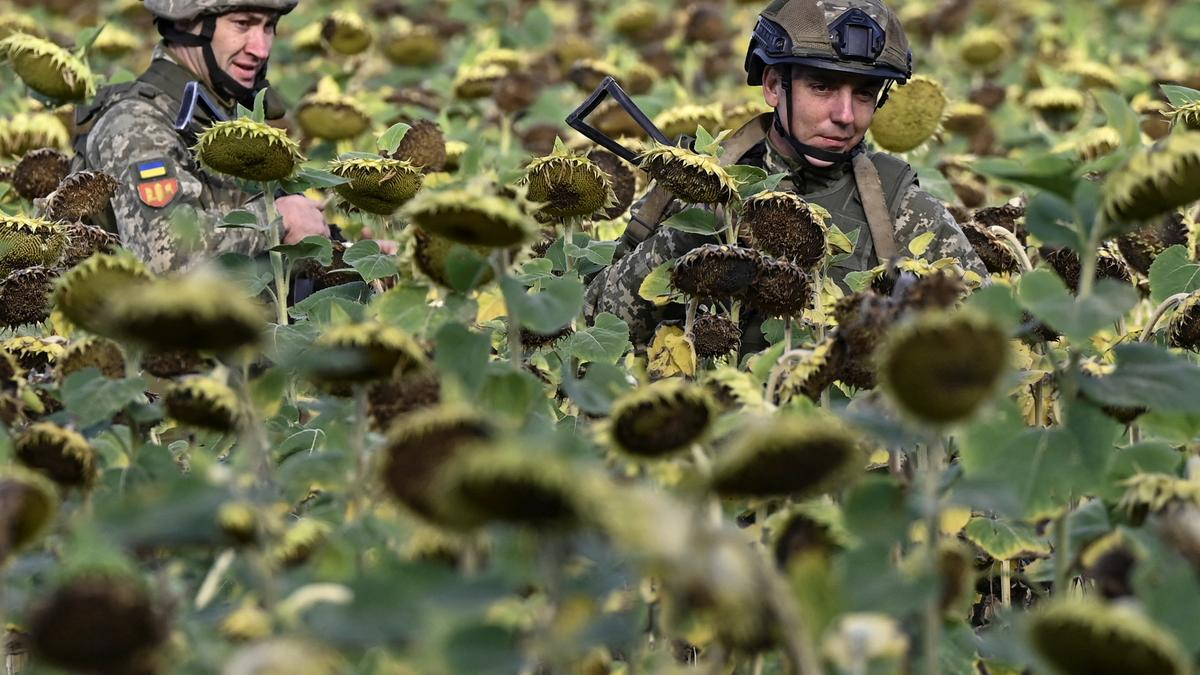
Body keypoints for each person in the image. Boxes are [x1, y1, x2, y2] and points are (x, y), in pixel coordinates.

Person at [584, 0, 986, 352]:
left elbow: (989, 335)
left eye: (864, 93)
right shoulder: (700, 182)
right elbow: (597, 324)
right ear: (774, 85)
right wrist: (691, 236)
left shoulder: (900, 207)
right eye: (823, 87)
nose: (845, 116)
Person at [71, 0, 330, 273]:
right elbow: (168, 254)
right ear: (186, 22)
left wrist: (348, 255)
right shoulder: (136, 123)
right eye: (243, 24)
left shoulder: (218, 113)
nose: (261, 49)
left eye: (269, 27)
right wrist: (276, 220)